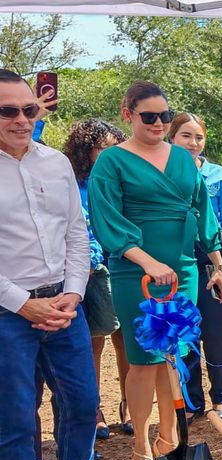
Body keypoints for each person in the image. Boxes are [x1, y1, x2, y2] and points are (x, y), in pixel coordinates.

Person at [0, 68, 128, 460]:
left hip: (64, 304)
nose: (21, 119)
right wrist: (23, 304)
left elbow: (78, 233)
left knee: (79, 402)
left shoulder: (55, 164)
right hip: (9, 312)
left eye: (29, 109)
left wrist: (73, 292)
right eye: (8, 111)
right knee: (15, 416)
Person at [88, 81, 222, 460]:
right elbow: (106, 219)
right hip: (139, 274)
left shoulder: (184, 160)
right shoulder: (111, 162)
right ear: (127, 114)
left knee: (174, 357)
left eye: (165, 116)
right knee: (144, 360)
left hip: (183, 269)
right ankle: (142, 452)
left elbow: (203, 212)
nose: (159, 124)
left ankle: (171, 439)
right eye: (149, 116)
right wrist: (149, 262)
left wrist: (217, 263)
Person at [62, 119, 133, 437]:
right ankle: (94, 409)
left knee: (126, 341)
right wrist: (88, 261)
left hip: (123, 264)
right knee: (94, 341)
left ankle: (130, 403)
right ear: (85, 150)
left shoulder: (122, 179)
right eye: (104, 148)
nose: (111, 153)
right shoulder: (71, 181)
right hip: (89, 270)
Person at [168, 112, 222, 422]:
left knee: (214, 330)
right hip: (177, 263)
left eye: (198, 137)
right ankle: (191, 399)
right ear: (172, 138)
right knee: (185, 332)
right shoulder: (162, 174)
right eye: (186, 136)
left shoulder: (219, 176)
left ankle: (221, 395)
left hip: (214, 263)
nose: (193, 143)